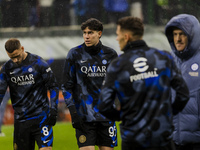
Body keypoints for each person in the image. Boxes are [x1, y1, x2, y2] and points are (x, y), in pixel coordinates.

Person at [97, 16, 189, 150]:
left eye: (118, 35)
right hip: (162, 138)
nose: (117, 39)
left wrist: (123, 117)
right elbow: (183, 94)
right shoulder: (164, 58)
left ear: (126, 36)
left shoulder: (118, 65)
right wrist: (167, 113)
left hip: (133, 139)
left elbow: (104, 104)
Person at [61, 18, 118, 150]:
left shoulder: (110, 54)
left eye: (90, 33)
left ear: (99, 33)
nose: (86, 36)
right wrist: (73, 112)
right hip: (84, 115)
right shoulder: (75, 54)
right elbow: (66, 85)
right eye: (85, 33)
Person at [0, 38, 59, 150]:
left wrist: (54, 110)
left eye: (17, 55)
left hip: (41, 117)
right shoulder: (7, 68)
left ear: (22, 48)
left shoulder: (38, 62)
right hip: (21, 120)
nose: (16, 60)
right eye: (12, 57)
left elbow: (53, 86)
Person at [165, 14, 200, 150]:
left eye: (182, 34)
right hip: (172, 139)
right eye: (175, 34)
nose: (178, 39)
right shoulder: (168, 60)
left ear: (192, 35)